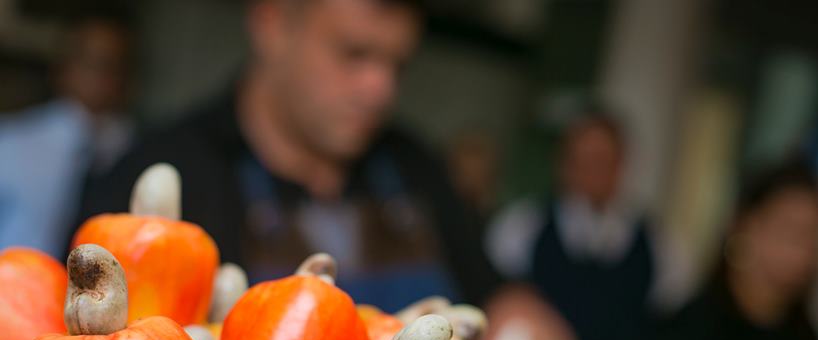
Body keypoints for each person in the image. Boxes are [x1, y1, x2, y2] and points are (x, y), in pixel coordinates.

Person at [74, 0, 497, 312]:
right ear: (271, 22)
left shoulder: (416, 168)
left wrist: (522, 316)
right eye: (355, 54)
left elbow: (495, 298)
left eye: (397, 65)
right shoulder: (161, 171)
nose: (380, 90)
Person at [485, 110, 685, 340]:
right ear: (563, 164)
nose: (593, 172)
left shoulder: (657, 242)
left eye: (604, 161)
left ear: (622, 165)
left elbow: (665, 317)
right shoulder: (520, 228)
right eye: (582, 161)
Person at [654, 162, 818, 340]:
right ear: (745, 226)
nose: (803, 251)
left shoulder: (804, 336)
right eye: (791, 231)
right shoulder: (694, 325)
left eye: (813, 235)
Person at [0, 13, 133, 256]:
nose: (100, 76)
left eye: (112, 65)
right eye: (89, 61)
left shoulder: (132, 150)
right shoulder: (10, 141)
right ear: (62, 66)